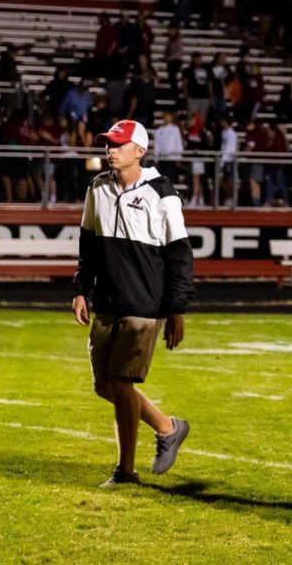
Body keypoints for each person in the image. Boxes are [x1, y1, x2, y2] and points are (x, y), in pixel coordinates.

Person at [73, 119, 195, 485]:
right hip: (107, 301)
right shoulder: (97, 188)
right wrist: (81, 288)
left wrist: (176, 309)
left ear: (139, 151)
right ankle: (167, 427)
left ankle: (125, 470)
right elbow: (89, 245)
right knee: (104, 385)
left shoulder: (162, 192)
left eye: (118, 144)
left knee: (122, 384)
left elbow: (179, 253)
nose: (110, 149)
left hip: (144, 303)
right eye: (108, 143)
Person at [183, 52, 212, 120]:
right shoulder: (188, 70)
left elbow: (209, 83)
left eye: (199, 59)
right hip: (193, 96)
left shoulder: (206, 70)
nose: (198, 61)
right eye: (196, 59)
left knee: (203, 117)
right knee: (192, 117)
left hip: (204, 96)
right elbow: (185, 84)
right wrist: (186, 96)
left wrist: (211, 94)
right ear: (192, 59)